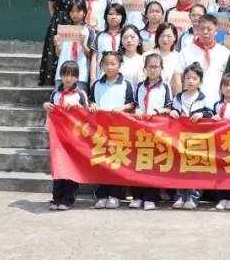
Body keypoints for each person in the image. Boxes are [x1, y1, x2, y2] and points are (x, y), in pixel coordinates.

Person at [88, 51, 135, 209]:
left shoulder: (126, 84)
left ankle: (115, 195)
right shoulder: (97, 84)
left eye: (113, 64)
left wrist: (122, 107)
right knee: (102, 161)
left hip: (119, 130)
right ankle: (102, 194)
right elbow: (91, 100)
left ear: (119, 65)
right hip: (100, 130)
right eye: (106, 64)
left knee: (116, 162)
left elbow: (131, 103)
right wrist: (93, 104)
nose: (109, 67)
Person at [43, 60, 88, 210]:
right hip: (58, 137)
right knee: (58, 166)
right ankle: (57, 198)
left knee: (71, 167)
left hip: (74, 137)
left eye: (71, 75)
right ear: (60, 76)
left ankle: (68, 198)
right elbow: (51, 110)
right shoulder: (55, 94)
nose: (68, 78)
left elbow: (87, 114)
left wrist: (76, 107)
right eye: (65, 75)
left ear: (77, 77)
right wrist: (46, 106)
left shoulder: (80, 94)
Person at [129, 52, 171, 211]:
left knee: (152, 164)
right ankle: (137, 196)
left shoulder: (165, 87)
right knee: (137, 163)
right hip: (140, 129)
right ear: (145, 68)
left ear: (161, 69)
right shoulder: (140, 86)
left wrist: (156, 111)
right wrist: (137, 109)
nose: (153, 70)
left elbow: (168, 108)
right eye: (150, 67)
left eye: (156, 67)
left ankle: (150, 198)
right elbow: (135, 104)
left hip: (156, 129)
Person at [168, 63, 212, 210]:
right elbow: (173, 110)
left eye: (194, 78)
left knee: (196, 168)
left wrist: (202, 114)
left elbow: (211, 114)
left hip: (197, 139)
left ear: (200, 81)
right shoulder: (178, 98)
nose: (190, 81)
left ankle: (193, 196)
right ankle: (180, 195)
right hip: (179, 139)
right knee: (179, 167)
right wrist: (173, 112)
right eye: (188, 78)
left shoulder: (204, 98)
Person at [39, 0, 85, 86]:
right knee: (55, 49)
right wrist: (58, 18)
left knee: (72, 50)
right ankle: (54, 81)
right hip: (58, 21)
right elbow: (51, 5)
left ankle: (74, 80)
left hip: (75, 20)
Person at [175, 14, 229, 106]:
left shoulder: (224, 52)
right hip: (189, 105)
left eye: (209, 29)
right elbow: (177, 77)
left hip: (216, 103)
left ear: (216, 31)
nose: (205, 32)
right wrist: (178, 103)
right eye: (202, 28)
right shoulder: (186, 51)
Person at [54, 0, 94, 86]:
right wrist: (57, 45)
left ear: (84, 12)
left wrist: (83, 44)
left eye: (78, 11)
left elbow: (91, 55)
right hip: (63, 73)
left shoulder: (89, 30)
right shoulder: (64, 29)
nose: (74, 14)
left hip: (81, 73)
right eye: (72, 11)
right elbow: (58, 53)